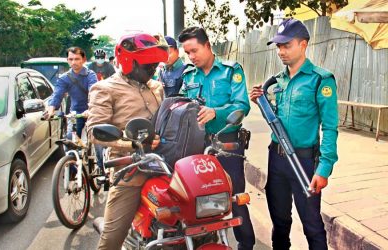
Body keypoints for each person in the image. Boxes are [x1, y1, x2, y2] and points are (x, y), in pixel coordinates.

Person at [250, 18, 338, 250]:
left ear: (303, 44)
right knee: (280, 222)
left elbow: (330, 128)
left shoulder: (320, 79)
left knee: (312, 225)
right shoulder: (277, 81)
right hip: (277, 159)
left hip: (305, 162)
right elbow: (276, 117)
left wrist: (324, 168)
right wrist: (260, 101)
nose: (281, 51)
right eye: (278, 46)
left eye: (286, 45)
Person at [86, 33, 168, 250]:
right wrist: (133, 144)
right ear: (127, 61)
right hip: (130, 168)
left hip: (164, 165)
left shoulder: (156, 86)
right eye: (147, 65)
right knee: (111, 241)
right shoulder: (105, 89)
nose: (152, 69)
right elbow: (95, 131)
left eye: (154, 64)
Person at [178, 26, 255, 250]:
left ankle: (245, 243)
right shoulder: (189, 74)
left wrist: (216, 112)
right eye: (188, 53)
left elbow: (242, 106)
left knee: (234, 196)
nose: (191, 56)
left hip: (226, 144)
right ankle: (207, 241)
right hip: (197, 144)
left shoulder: (231, 71)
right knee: (200, 197)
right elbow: (181, 103)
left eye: (194, 50)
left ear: (207, 46)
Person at [45, 46, 97, 139]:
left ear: (83, 60)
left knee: (98, 140)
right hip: (75, 113)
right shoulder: (64, 78)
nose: (73, 62)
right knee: (70, 138)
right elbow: (57, 95)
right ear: (67, 60)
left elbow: (93, 93)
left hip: (92, 111)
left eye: (77, 59)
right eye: (71, 59)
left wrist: (90, 109)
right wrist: (51, 110)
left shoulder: (91, 75)